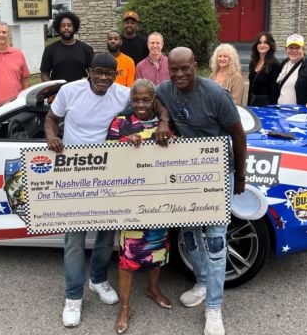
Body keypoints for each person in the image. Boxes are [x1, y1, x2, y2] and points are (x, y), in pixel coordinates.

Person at [44, 53, 171, 328]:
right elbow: (51, 119)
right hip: (75, 173)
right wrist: (52, 136)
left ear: (116, 75)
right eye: (98, 72)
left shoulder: (123, 93)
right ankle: (73, 297)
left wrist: (162, 121)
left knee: (105, 235)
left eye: (109, 74)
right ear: (89, 71)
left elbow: (153, 101)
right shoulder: (70, 91)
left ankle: (98, 280)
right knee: (75, 239)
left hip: (110, 174)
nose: (103, 78)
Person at [156, 47, 247, 335]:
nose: (180, 74)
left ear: (196, 66)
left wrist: (241, 175)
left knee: (216, 241)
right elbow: (152, 98)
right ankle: (204, 282)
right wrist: (163, 119)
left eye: (186, 68)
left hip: (219, 173)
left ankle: (214, 308)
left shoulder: (215, 94)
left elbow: (238, 135)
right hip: (187, 174)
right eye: (174, 69)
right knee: (189, 234)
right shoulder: (165, 90)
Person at [107, 79, 172, 334]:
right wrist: (125, 141)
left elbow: (177, 153)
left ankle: (152, 289)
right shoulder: (120, 122)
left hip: (158, 198)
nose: (141, 104)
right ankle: (125, 306)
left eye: (146, 99)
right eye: (136, 100)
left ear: (154, 100)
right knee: (128, 256)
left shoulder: (163, 123)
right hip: (130, 200)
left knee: (157, 249)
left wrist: (165, 137)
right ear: (130, 100)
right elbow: (106, 153)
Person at [40, 10, 93, 82]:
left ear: (74, 27)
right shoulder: (50, 49)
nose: (66, 28)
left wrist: (88, 81)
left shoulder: (86, 48)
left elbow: (92, 71)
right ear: (58, 28)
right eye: (63, 25)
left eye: (69, 25)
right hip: (58, 91)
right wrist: (53, 90)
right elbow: (44, 74)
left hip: (81, 91)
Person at [276, 33, 307, 109]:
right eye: (291, 48)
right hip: (282, 112)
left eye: (298, 48)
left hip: (300, 114)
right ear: (286, 49)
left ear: (303, 49)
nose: (294, 50)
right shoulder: (284, 63)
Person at [247, 31, 281, 106]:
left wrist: (272, 109)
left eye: (265, 42)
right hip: (253, 103)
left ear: (270, 45)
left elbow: (274, 91)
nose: (262, 45)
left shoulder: (274, 65)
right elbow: (251, 87)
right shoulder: (253, 62)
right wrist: (248, 106)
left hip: (266, 105)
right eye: (260, 42)